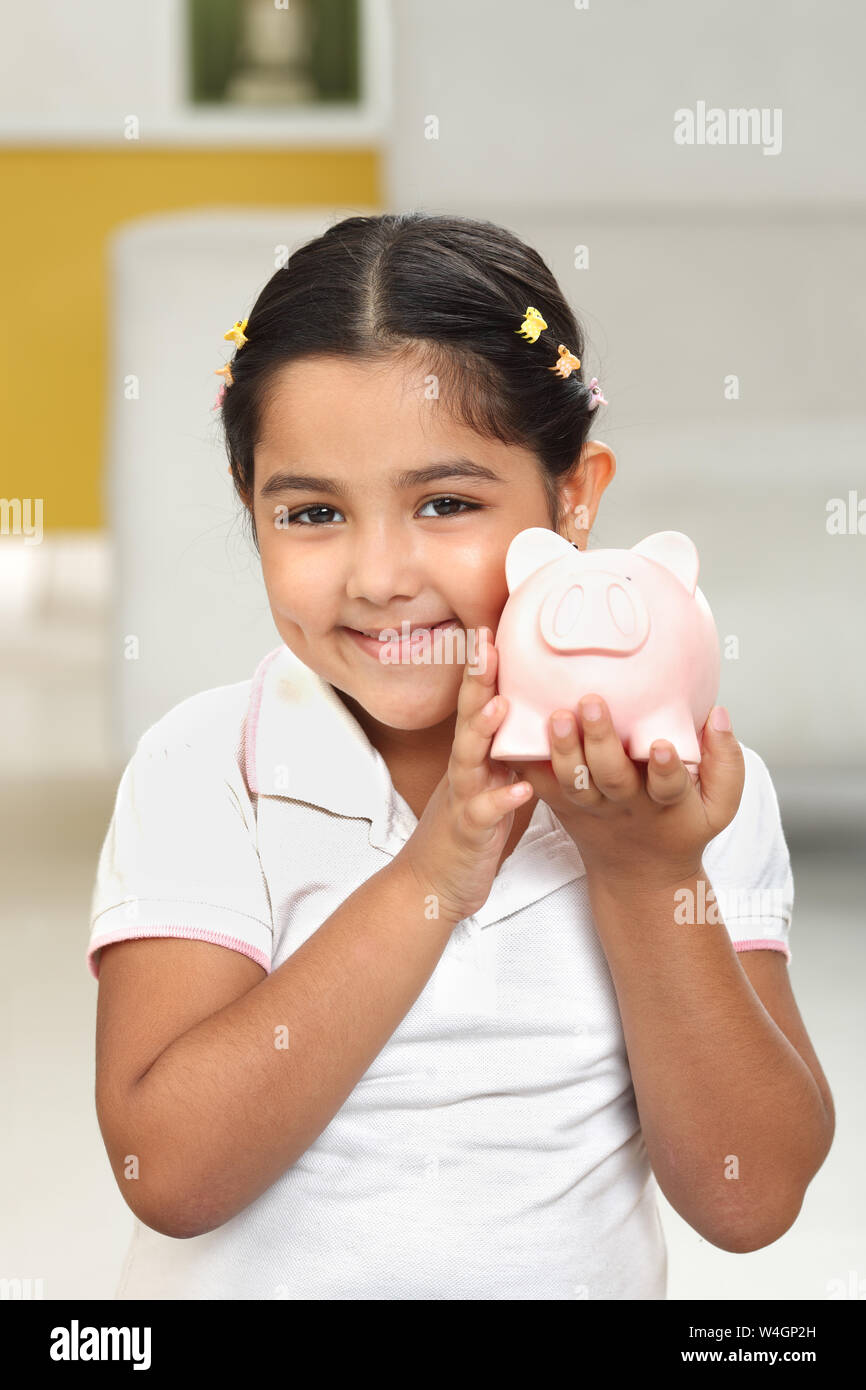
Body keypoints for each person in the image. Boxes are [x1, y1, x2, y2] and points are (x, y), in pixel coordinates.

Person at [87, 211, 834, 1300]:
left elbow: (748, 1197)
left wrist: (646, 874)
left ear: (572, 499)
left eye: (445, 503)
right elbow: (172, 1171)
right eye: (310, 512)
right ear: (248, 507)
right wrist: (435, 871)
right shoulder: (209, 765)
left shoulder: (680, 792)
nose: (380, 573)